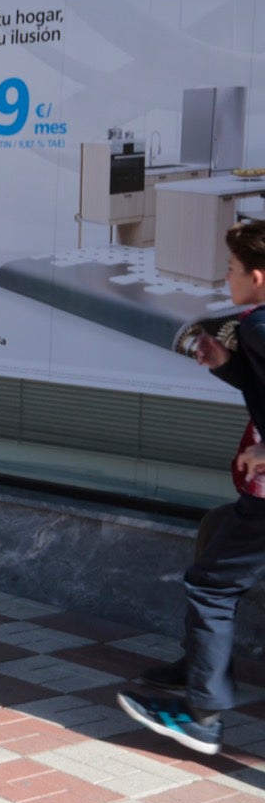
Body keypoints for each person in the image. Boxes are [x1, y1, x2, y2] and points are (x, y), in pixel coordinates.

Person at [119, 221, 265, 756]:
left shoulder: (259, 326)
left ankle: (203, 716)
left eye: (230, 270)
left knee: (210, 586)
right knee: (213, 533)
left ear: (256, 276)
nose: (225, 279)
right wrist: (226, 366)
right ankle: (201, 667)